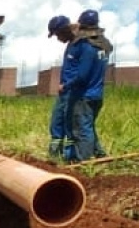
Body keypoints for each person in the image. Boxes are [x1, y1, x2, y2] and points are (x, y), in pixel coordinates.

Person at [72, 9, 113, 160]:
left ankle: (84, 159)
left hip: (85, 94)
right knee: (89, 125)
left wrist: (70, 84)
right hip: (98, 93)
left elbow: (82, 75)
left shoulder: (86, 47)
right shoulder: (103, 47)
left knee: (82, 128)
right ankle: (99, 152)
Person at [46, 15, 78, 162]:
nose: (58, 38)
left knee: (69, 124)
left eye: (58, 34)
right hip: (64, 92)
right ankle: (54, 153)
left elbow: (83, 72)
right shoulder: (70, 45)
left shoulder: (80, 45)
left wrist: (68, 84)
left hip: (73, 92)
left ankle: (69, 156)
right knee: (56, 122)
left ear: (64, 30)